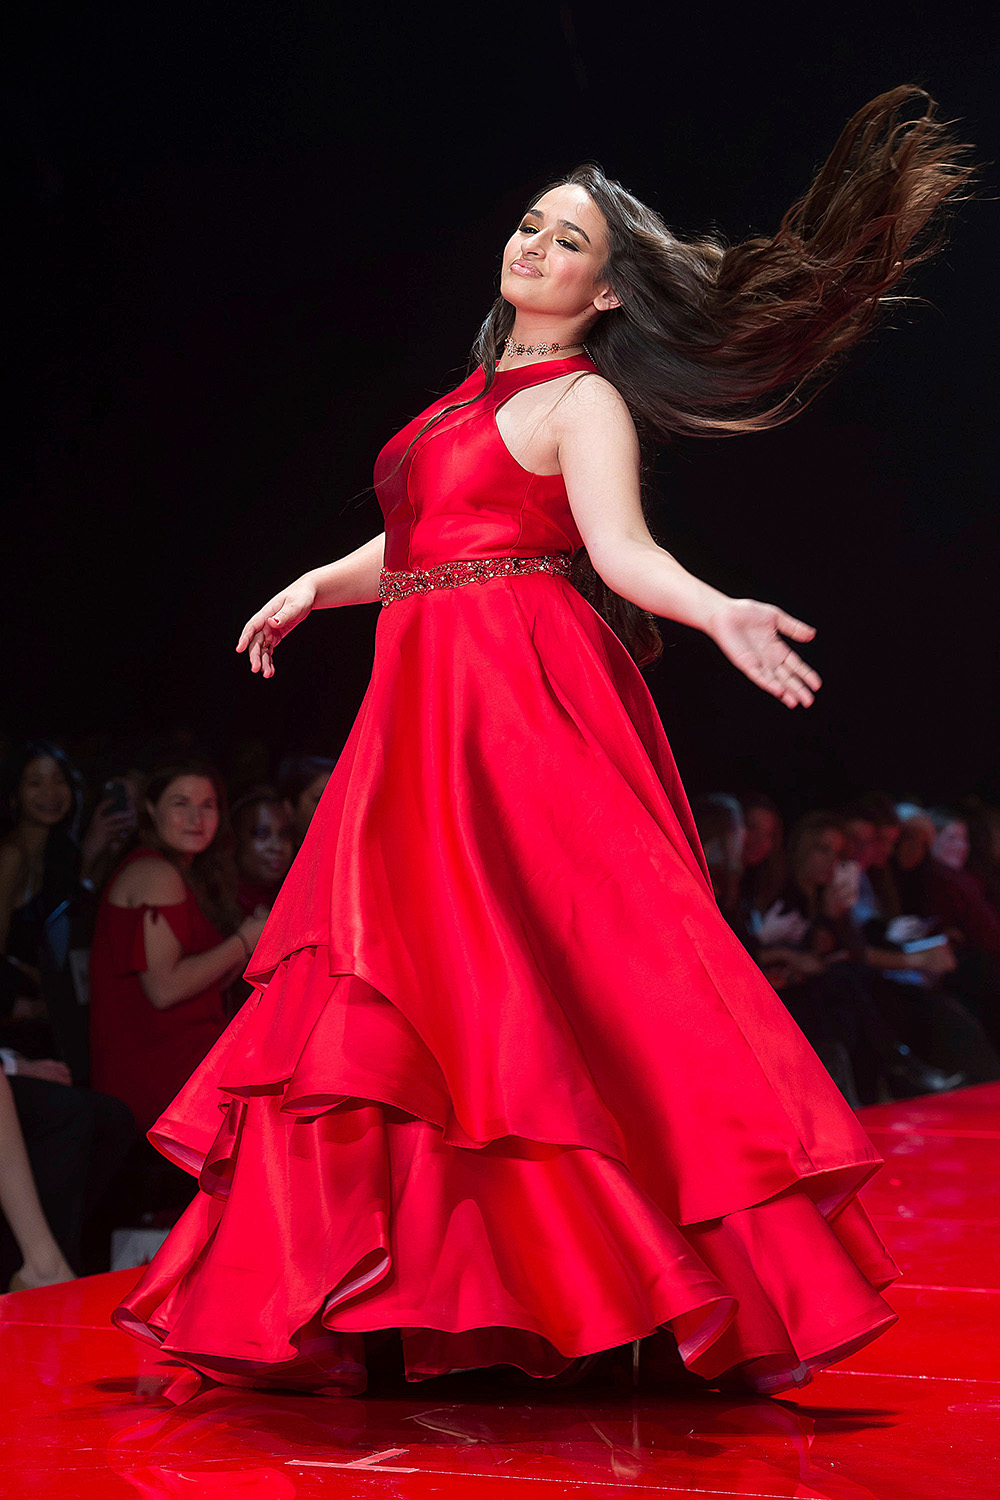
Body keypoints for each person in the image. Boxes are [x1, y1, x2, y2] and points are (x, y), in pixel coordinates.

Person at [114, 88, 973, 1396]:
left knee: (548, 977)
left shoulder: (585, 403)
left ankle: (632, 1284)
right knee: (425, 988)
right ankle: (440, 1292)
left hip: (512, 697)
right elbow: (417, 537)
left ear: (613, 290)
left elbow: (618, 551)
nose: (535, 248)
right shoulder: (463, 402)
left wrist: (719, 607)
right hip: (420, 704)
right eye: (530, 226)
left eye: (569, 241)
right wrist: (315, 583)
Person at [89, 762, 266, 1217]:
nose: (196, 818)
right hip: (161, 1074)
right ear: (151, 809)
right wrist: (244, 940)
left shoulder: (180, 872)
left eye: (207, 805)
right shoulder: (155, 874)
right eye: (180, 804)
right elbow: (164, 989)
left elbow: (202, 981)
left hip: (185, 1058)